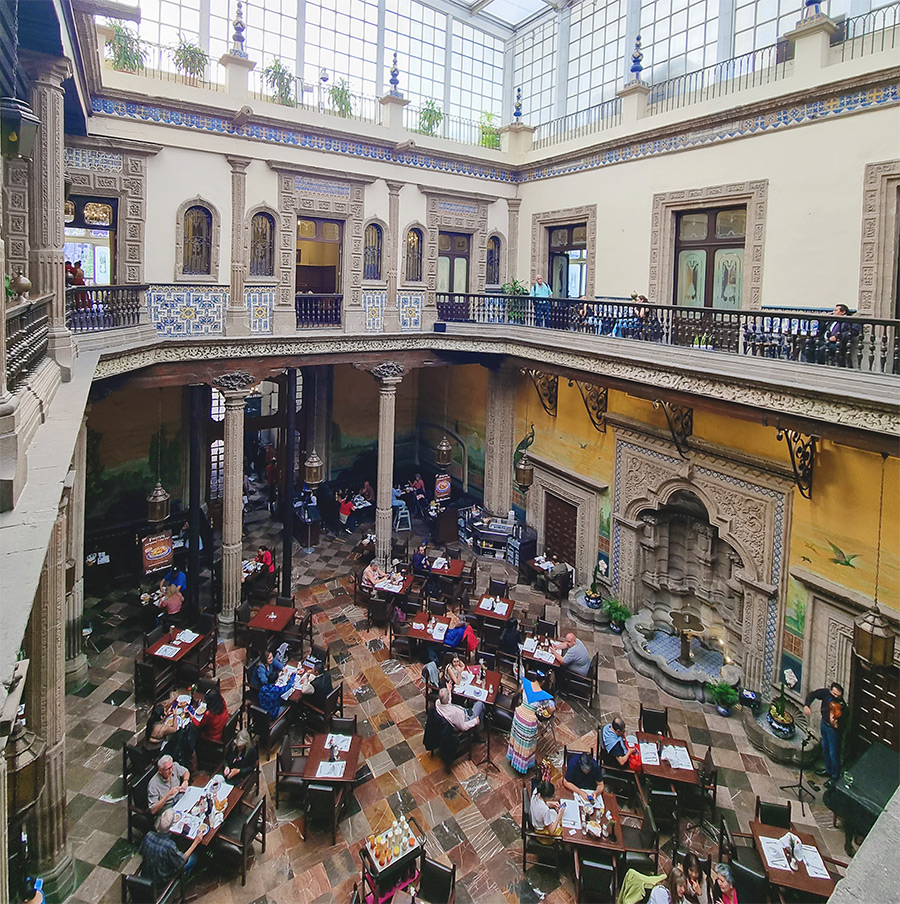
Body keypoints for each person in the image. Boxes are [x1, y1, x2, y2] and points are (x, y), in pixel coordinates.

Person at [140, 808, 206, 887]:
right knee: (194, 858)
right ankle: (183, 883)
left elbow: (141, 852)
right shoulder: (169, 846)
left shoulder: (148, 835)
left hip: (146, 874)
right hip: (162, 881)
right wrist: (196, 842)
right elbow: (182, 861)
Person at [507, 672, 555, 774]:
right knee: (527, 744)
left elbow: (519, 692)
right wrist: (552, 707)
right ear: (542, 681)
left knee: (517, 738)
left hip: (519, 714)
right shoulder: (543, 696)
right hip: (529, 721)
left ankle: (513, 758)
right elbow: (550, 711)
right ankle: (522, 765)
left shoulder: (525, 684)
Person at [804, 680, 847, 787]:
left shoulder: (842, 706)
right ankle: (828, 770)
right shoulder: (825, 693)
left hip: (834, 731)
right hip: (824, 724)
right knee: (825, 749)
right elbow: (813, 694)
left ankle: (835, 776)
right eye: (834, 694)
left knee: (833, 753)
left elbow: (844, 721)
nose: (836, 697)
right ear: (830, 691)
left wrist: (836, 724)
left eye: (838, 695)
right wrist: (807, 705)